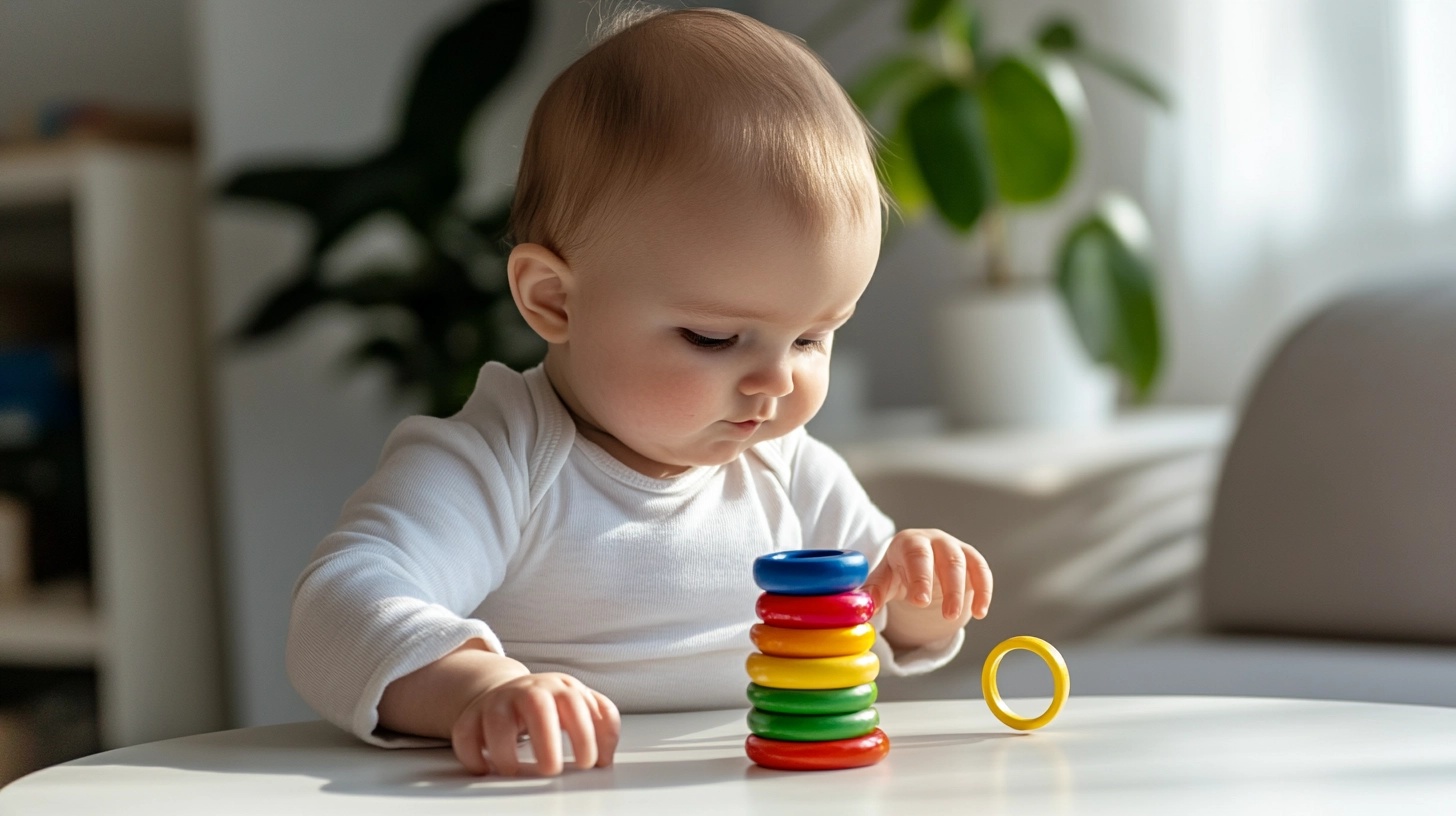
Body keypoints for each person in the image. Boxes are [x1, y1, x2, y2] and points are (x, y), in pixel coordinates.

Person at [286, 5, 993, 778]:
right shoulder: (501, 460)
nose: (776, 382)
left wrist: (920, 589)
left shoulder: (789, 469)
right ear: (554, 300)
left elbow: (881, 619)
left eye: (811, 338)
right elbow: (337, 610)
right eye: (714, 338)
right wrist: (479, 691)